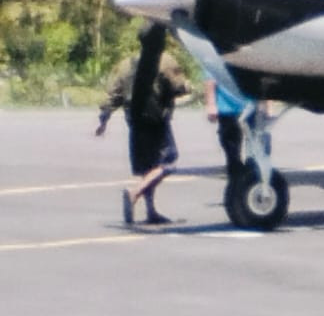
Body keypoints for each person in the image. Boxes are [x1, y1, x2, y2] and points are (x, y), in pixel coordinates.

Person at [96, 36, 190, 225]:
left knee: (148, 166)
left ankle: (151, 210)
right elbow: (179, 86)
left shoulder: (126, 64)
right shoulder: (165, 61)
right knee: (168, 161)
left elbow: (114, 94)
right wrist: (188, 88)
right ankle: (135, 192)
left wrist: (104, 119)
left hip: (134, 118)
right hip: (156, 118)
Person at [205, 79, 246, 180]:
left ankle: (250, 168)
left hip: (247, 103)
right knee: (230, 139)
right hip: (226, 105)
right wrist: (211, 104)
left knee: (255, 137)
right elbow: (210, 79)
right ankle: (234, 167)